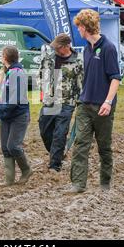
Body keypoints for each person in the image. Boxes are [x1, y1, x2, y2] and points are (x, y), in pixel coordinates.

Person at [70, 9, 121, 193]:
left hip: (103, 106)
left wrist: (108, 102)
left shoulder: (108, 48)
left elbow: (116, 78)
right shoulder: (86, 49)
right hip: (85, 104)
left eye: (78, 28)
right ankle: (78, 184)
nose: (78, 31)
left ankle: (105, 183)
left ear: (84, 27)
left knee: (104, 146)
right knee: (80, 143)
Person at [38, 33, 84, 173]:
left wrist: (80, 102)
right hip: (50, 101)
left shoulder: (78, 61)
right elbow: (40, 74)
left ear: (67, 46)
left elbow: (82, 83)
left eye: (58, 47)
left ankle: (54, 165)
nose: (56, 50)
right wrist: (43, 88)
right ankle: (56, 153)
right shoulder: (49, 58)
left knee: (60, 133)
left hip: (66, 103)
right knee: (45, 131)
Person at [0, 46, 32, 186]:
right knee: (5, 148)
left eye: (2, 55)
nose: (1, 57)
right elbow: (5, 97)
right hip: (8, 115)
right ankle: (9, 180)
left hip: (18, 115)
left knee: (13, 146)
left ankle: (26, 170)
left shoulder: (16, 73)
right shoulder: (9, 72)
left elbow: (13, 101)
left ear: (5, 58)